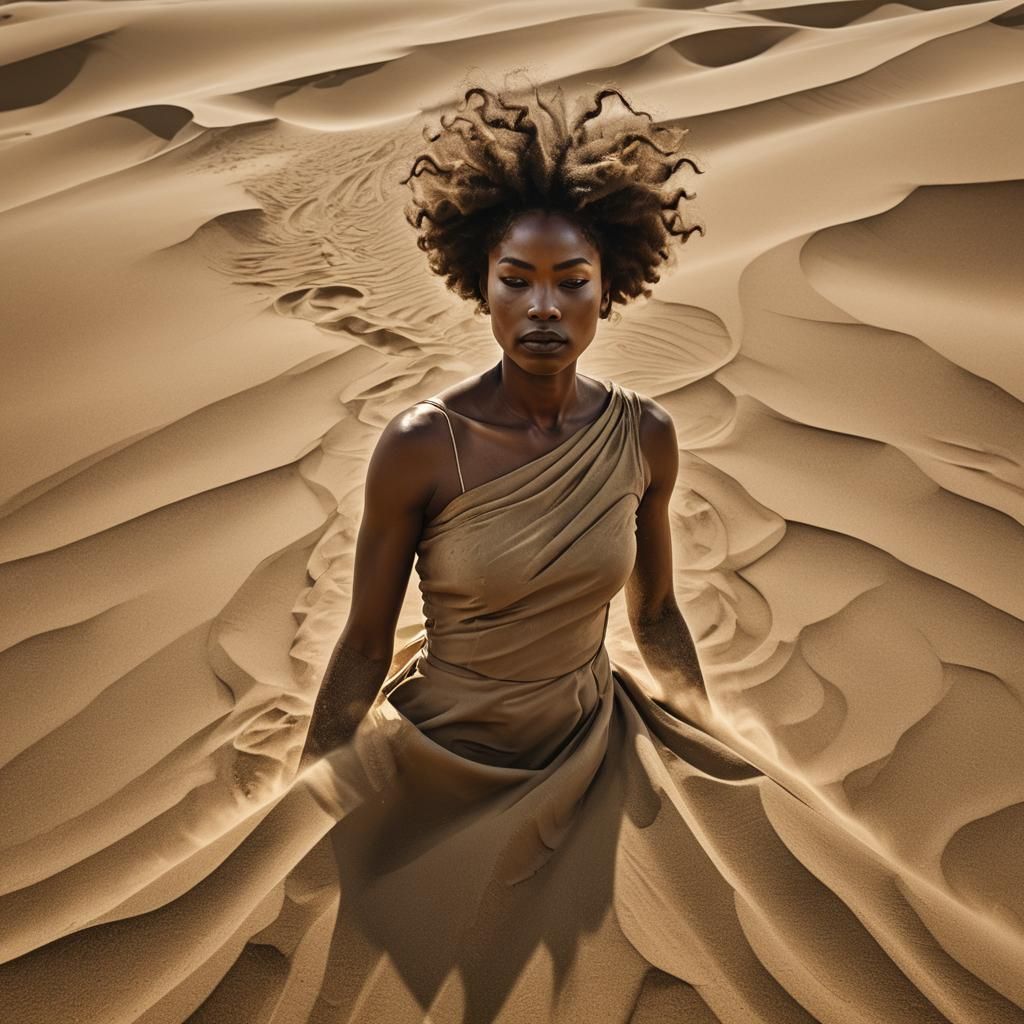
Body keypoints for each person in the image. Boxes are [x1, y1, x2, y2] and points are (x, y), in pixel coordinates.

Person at [286, 81, 942, 1024]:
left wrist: (712, 746)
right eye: (517, 279)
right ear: (480, 283)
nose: (543, 306)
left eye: (571, 279)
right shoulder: (421, 445)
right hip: (440, 763)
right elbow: (361, 645)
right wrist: (300, 809)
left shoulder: (644, 439)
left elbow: (657, 615)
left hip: (595, 750)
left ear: (611, 283)